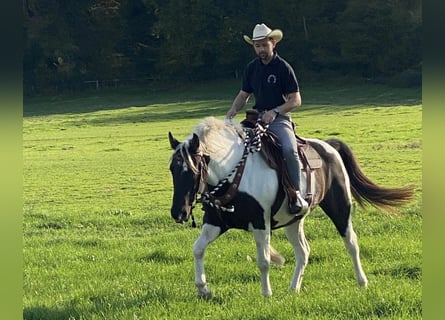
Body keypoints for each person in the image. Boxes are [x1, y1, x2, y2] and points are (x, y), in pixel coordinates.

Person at [226, 23, 308, 216]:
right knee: (234, 147)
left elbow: (296, 100)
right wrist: (232, 111)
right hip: (256, 117)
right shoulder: (251, 68)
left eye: (264, 45)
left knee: (289, 149)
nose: (261, 49)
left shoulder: (283, 68)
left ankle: (295, 194)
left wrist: (276, 111)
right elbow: (243, 95)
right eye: (257, 46)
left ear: (273, 43)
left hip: (279, 119)